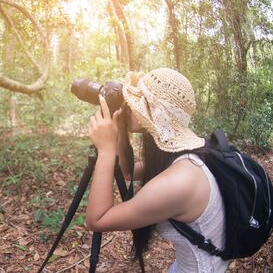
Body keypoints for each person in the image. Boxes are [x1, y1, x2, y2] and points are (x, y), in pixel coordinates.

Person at [85, 68, 229, 272]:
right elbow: (129, 173)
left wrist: (106, 151)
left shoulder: (180, 181)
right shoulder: (188, 155)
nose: (128, 105)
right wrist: (119, 132)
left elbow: (97, 219)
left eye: (136, 101)